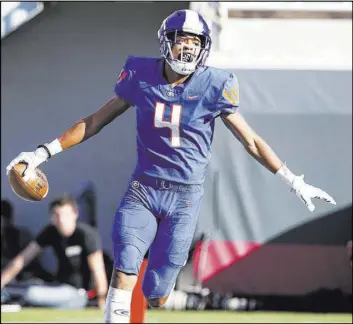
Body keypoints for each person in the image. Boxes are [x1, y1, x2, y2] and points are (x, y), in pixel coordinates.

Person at [6, 9, 336, 323]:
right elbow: (94, 121)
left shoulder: (214, 84)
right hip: (143, 191)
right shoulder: (140, 74)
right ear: (167, 41)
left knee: (156, 295)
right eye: (183, 39)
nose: (189, 47)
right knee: (124, 272)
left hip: (184, 200)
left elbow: (250, 140)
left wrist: (293, 180)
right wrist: (42, 153)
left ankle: (160, 290)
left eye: (196, 42)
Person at [1, 195, 108, 310]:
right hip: (58, 286)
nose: (61, 220)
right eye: (57, 215)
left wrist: (101, 302)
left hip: (79, 293)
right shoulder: (51, 231)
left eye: (66, 215)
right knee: (26, 285)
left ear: (75, 214)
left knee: (32, 293)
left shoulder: (86, 235)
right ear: (51, 217)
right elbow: (22, 259)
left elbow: (98, 271)